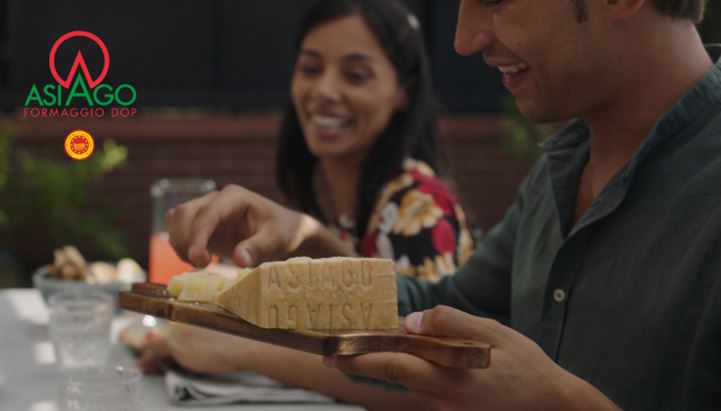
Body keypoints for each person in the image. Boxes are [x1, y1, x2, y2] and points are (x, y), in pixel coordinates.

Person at [159, 0, 721, 409]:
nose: (464, 38)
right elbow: (441, 312)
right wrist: (302, 243)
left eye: (495, 0)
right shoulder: (563, 166)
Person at [138, 0, 472, 408]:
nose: (324, 91)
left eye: (355, 75)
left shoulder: (420, 206)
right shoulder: (349, 199)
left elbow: (429, 387)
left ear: (404, 89)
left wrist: (243, 350)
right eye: (311, 69)